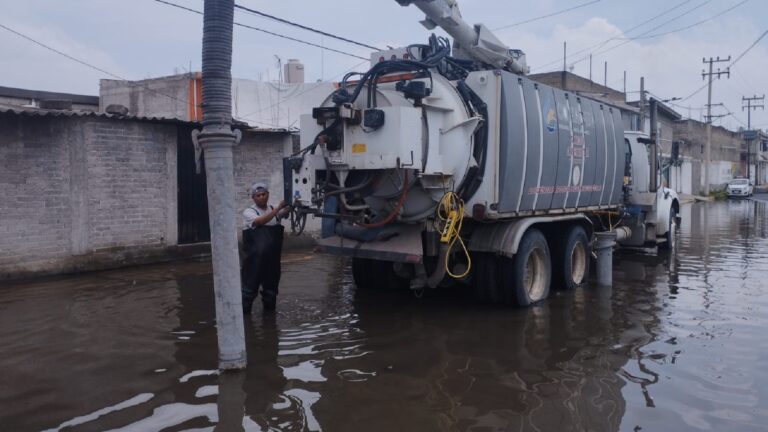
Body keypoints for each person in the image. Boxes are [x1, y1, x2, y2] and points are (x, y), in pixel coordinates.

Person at [241, 182, 290, 314]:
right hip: (254, 261)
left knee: (271, 292)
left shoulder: (273, 208)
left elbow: (281, 215)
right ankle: (245, 322)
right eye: (258, 195)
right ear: (253, 197)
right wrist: (278, 208)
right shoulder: (249, 212)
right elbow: (260, 221)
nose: (261, 197)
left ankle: (269, 322)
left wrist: (291, 206)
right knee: (248, 292)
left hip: (272, 260)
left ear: (268, 195)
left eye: (264, 194)